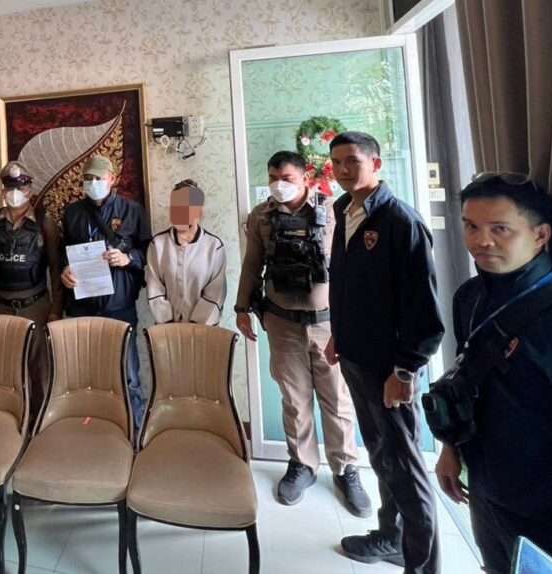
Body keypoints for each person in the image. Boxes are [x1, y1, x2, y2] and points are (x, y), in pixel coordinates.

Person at [433, 174, 552, 573]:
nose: (481, 241)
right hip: (487, 495)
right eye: (471, 226)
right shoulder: (469, 298)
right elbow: (464, 379)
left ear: (540, 235)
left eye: (500, 229)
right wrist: (450, 448)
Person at [326, 131, 444, 572]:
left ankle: (424, 565)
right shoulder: (345, 211)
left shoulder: (400, 221)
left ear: (376, 163)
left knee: (407, 469)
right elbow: (349, 285)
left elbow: (424, 310)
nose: (343, 170)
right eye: (336, 162)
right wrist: (339, 334)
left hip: (390, 369)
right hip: (357, 358)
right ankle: (390, 537)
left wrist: (406, 370)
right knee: (382, 456)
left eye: (352, 161)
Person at [233, 151, 370, 516]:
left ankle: (346, 468)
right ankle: (302, 464)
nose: (279, 184)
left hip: (329, 324)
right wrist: (242, 308)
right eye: (273, 177)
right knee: (294, 399)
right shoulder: (261, 217)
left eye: (288, 178)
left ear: (305, 177)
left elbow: (354, 267)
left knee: (337, 399)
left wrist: (357, 317)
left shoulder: (335, 211)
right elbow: (252, 264)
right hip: (283, 323)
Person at [60, 154, 150, 428]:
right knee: (87, 373)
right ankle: (93, 428)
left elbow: (150, 253)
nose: (93, 183)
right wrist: (65, 272)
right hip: (83, 306)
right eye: (87, 178)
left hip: (119, 305)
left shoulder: (131, 210)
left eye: (98, 178)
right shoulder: (72, 213)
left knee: (128, 373)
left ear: (112, 178)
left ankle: (135, 429)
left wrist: (128, 259)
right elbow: (64, 253)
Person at [0, 161, 62, 422]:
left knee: (39, 370)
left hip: (35, 305)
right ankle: (11, 423)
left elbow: (56, 268)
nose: (15, 192)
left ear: (29, 189)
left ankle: (38, 423)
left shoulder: (44, 221)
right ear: (3, 190)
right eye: (10, 187)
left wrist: (56, 310)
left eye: (20, 187)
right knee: (6, 369)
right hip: (1, 305)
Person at [146, 179, 226, 325]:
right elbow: (154, 287)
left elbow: (216, 292)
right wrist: (168, 324)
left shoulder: (214, 246)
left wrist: (195, 326)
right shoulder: (157, 244)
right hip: (167, 329)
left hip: (204, 329)